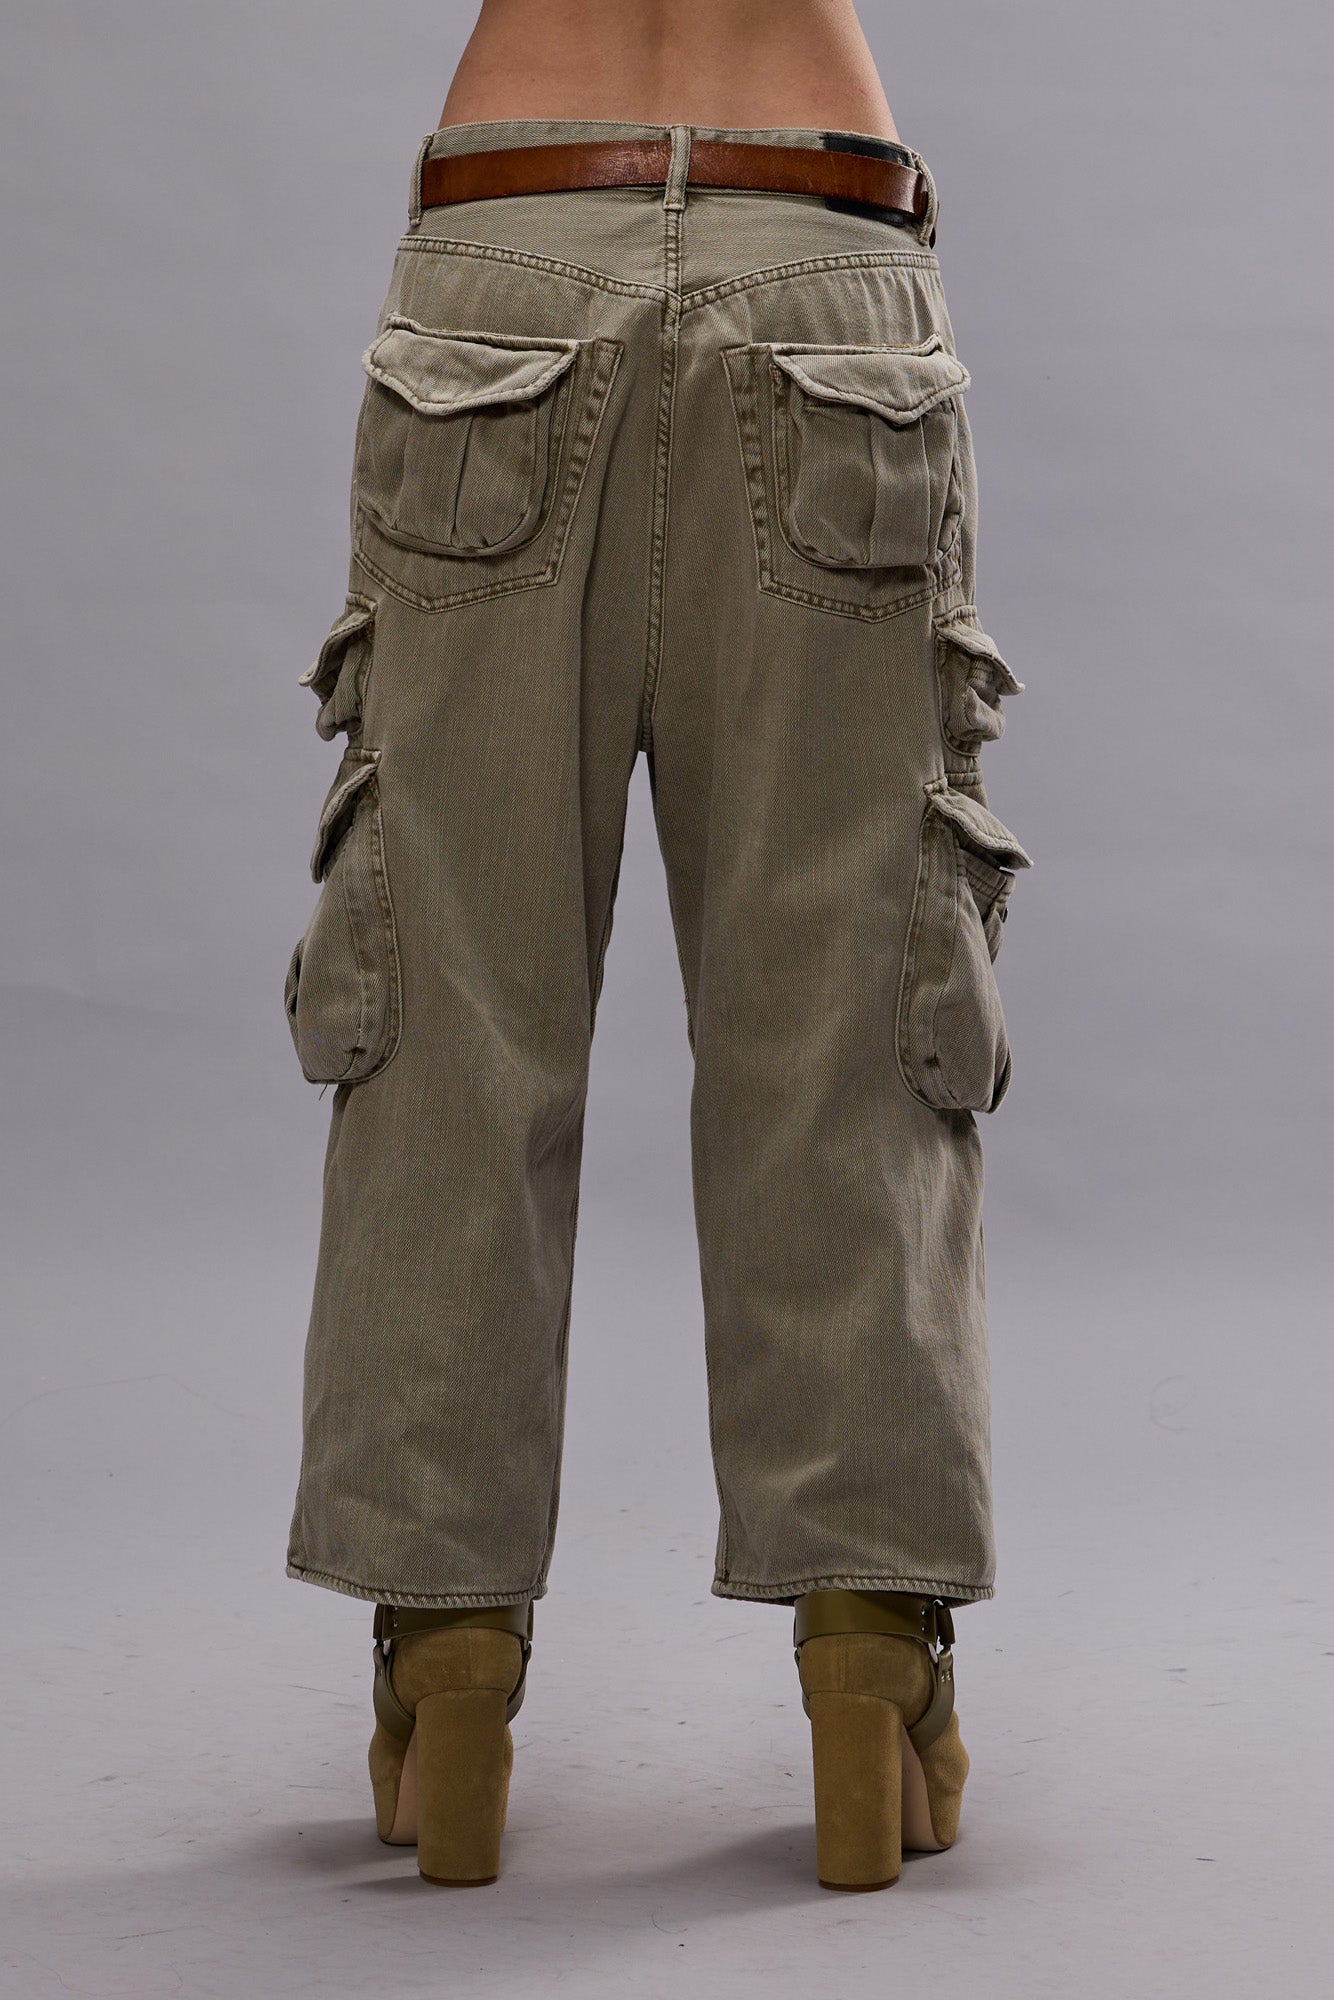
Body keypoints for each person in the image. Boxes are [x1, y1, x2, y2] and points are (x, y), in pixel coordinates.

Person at [283, 0, 1029, 1891]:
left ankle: (445, 1656)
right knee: (848, 1004)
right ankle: (871, 1650)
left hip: (507, 260)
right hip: (821, 258)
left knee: (449, 1000)